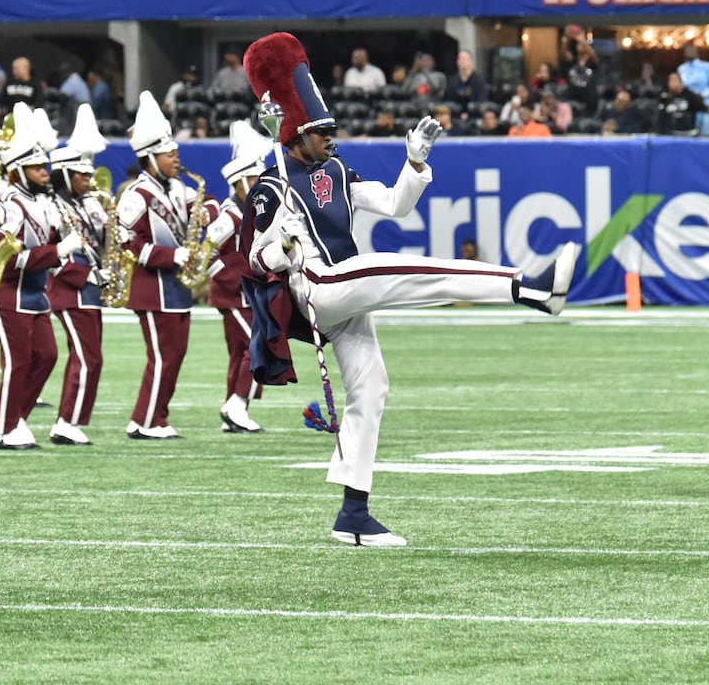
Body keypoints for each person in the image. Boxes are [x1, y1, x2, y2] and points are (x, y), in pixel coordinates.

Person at [240, 33, 579, 546]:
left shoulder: (336, 169)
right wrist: (281, 248)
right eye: (320, 129)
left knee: (372, 387)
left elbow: (396, 204)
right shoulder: (271, 185)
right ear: (293, 134)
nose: (332, 136)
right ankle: (529, 287)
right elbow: (251, 257)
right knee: (398, 269)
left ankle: (352, 514)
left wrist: (415, 164)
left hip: (345, 288)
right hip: (317, 287)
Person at [118, 92, 209, 438]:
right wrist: (171, 256)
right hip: (152, 288)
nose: (176, 158)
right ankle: (147, 421)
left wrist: (205, 213)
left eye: (176, 152)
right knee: (162, 356)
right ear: (150, 157)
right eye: (169, 154)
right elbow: (127, 241)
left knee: (175, 355)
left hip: (177, 286)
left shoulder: (178, 189)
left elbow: (208, 202)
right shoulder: (137, 195)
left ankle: (152, 416)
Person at [0, 106, 78, 450]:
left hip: (36, 294)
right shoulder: (9, 204)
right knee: (18, 361)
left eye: (44, 166)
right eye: (37, 168)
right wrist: (58, 252)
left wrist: (62, 248)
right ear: (19, 171)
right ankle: (7, 427)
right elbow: (10, 260)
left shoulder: (44, 202)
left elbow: (44, 248)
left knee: (48, 355)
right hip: (9, 294)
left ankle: (16, 417)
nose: (45, 172)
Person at [45, 106, 110, 446]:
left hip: (89, 290)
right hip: (69, 291)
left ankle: (72, 420)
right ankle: (66, 421)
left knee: (91, 357)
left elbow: (101, 241)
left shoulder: (89, 203)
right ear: (65, 176)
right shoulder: (52, 207)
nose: (90, 180)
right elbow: (52, 257)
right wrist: (85, 277)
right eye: (82, 176)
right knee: (87, 357)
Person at [209, 122, 268, 434]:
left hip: (247, 294)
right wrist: (239, 277)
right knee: (258, 346)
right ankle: (235, 404)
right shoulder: (229, 216)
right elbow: (208, 257)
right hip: (234, 295)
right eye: (255, 179)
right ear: (241, 182)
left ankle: (236, 404)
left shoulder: (253, 213)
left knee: (240, 352)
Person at [676, 45, 709, 135]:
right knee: (686, 135)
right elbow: (680, 87)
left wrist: (703, 94)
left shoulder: (706, 66)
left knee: (705, 137)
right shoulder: (681, 69)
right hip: (688, 107)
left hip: (705, 104)